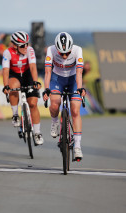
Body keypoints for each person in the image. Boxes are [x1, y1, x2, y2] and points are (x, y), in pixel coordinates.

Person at [42, 32, 86, 160]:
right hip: (57, 79)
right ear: (56, 49)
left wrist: (79, 88)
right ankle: (55, 122)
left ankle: (77, 146)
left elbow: (79, 73)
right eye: (62, 53)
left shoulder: (78, 50)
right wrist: (46, 89)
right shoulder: (51, 50)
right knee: (55, 102)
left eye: (67, 52)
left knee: (75, 110)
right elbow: (47, 72)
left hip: (73, 79)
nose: (65, 56)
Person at [2, 31, 44, 145]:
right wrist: (6, 86)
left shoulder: (30, 50)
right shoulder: (7, 53)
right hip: (14, 75)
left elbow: (32, 66)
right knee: (13, 87)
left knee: (33, 104)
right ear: (14, 45)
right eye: (22, 45)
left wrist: (35, 82)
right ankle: (15, 115)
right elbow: (5, 71)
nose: (26, 47)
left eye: (27, 43)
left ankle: (37, 133)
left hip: (27, 75)